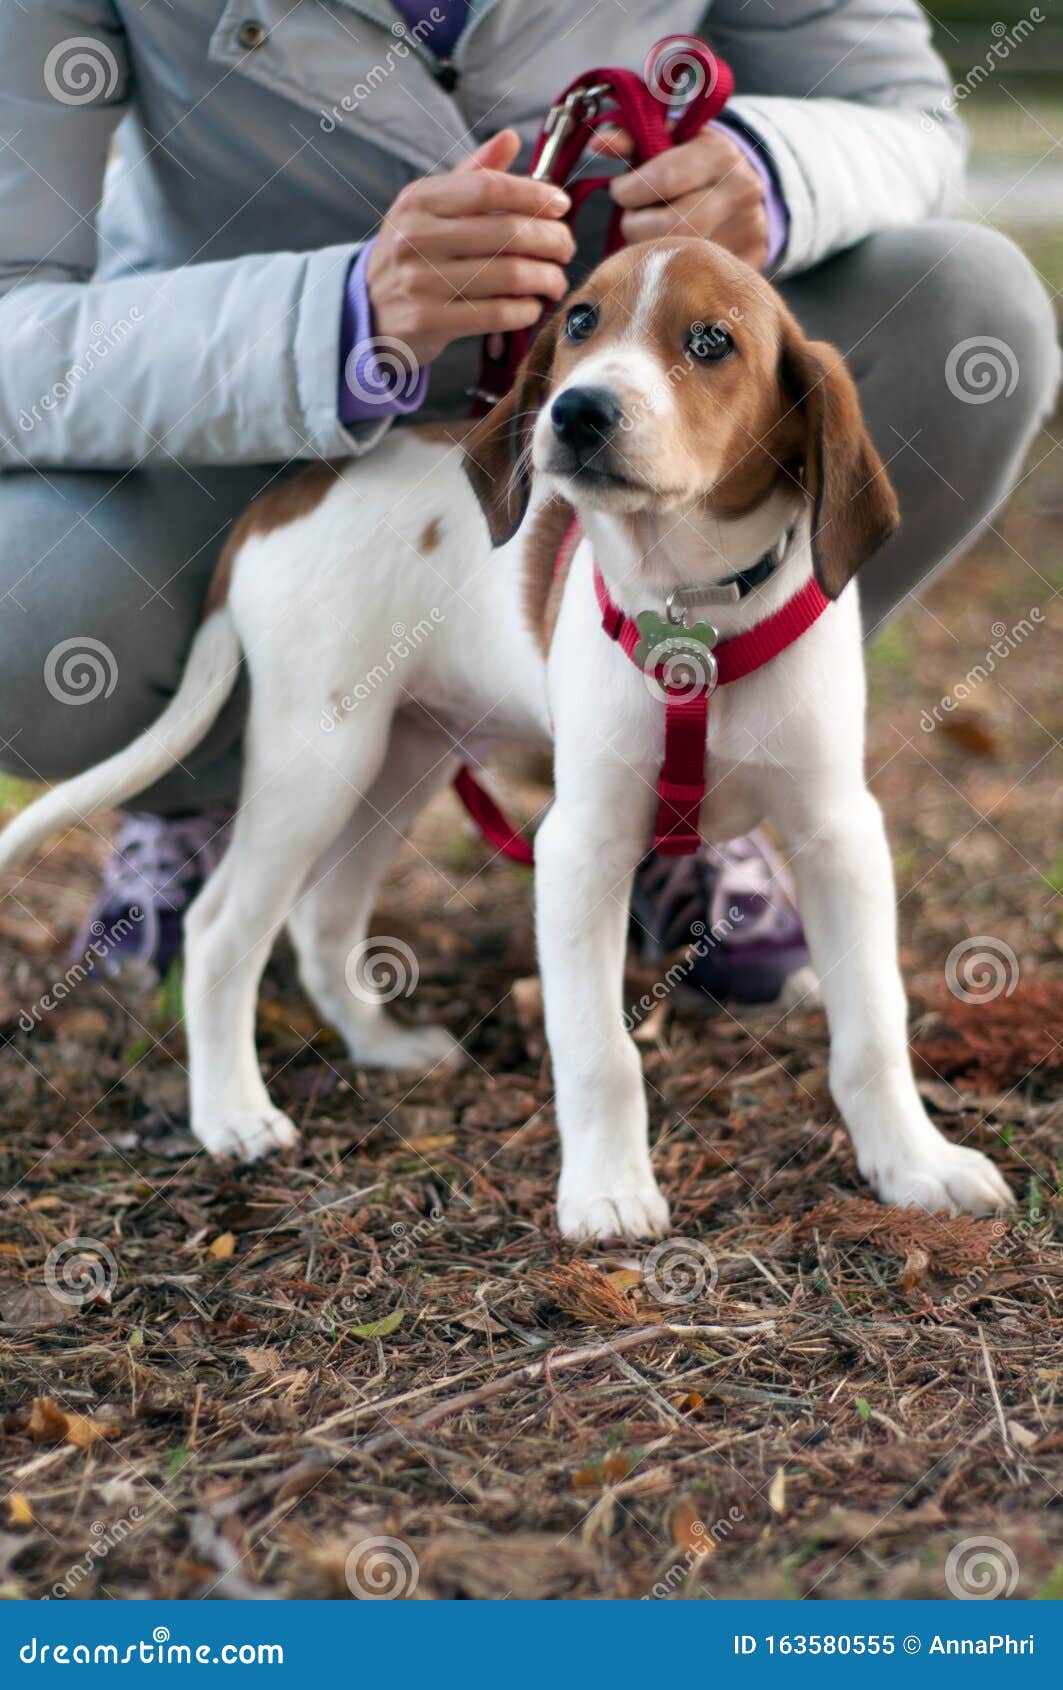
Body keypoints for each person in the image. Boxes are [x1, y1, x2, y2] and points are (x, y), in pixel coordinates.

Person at [0, 2, 1056, 994]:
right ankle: (205, 796)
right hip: (242, 425)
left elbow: (906, 119)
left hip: (632, 414)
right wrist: (332, 320)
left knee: (971, 316)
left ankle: (699, 777)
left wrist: (775, 173)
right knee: (32, 611)